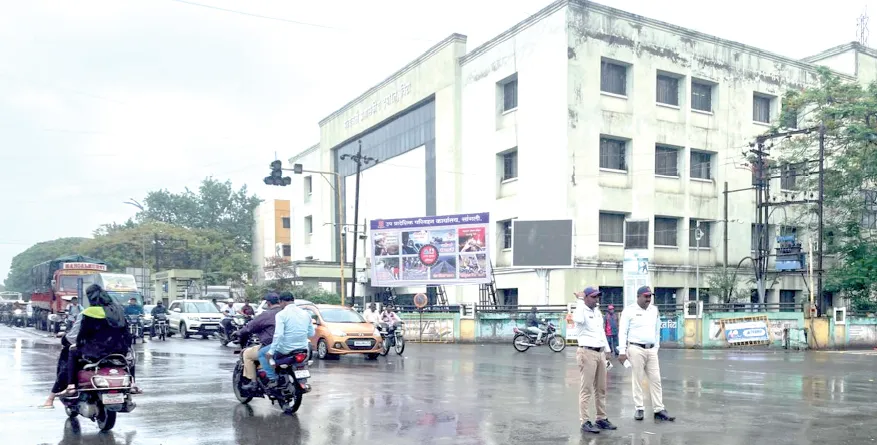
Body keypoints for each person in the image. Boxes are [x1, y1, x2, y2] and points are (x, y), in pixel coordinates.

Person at [57, 284, 136, 397]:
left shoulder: (89, 312)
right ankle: (133, 383)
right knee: (131, 354)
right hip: (119, 351)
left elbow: (81, 335)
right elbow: (127, 334)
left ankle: (71, 385)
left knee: (72, 351)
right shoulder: (119, 310)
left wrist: (76, 342)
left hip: (95, 352)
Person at [618, 286, 675, 422]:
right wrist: (621, 350)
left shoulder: (654, 310)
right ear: (638, 297)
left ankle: (659, 409)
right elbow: (623, 331)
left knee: (656, 379)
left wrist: (656, 347)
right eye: (646, 296)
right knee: (637, 379)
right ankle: (639, 408)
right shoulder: (629, 311)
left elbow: (657, 330)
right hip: (635, 348)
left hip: (651, 350)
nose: (648, 299)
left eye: (650, 296)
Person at [572, 286, 617, 434]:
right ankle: (584, 421)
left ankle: (601, 418)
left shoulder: (597, 312)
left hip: (600, 352)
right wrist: (579, 300)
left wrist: (607, 350)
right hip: (587, 352)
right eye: (593, 297)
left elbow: (600, 332)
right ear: (585, 298)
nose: (596, 299)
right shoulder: (581, 310)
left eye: (597, 297)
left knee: (601, 388)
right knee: (586, 389)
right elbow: (577, 319)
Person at [261, 293, 315, 386]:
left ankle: (272, 379)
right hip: (303, 350)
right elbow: (311, 333)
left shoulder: (281, 314)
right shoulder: (306, 314)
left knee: (262, 353)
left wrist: (271, 352)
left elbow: (279, 335)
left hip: (285, 350)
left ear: (282, 302)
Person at [238, 294, 283, 391]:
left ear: (268, 303)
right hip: (288, 345)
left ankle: (253, 382)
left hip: (271, 345)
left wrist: (239, 332)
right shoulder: (285, 313)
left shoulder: (266, 315)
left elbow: (250, 327)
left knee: (247, 354)